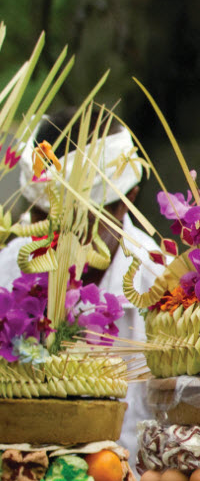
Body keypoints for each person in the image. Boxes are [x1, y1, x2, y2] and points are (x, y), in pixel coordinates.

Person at [0, 106, 158, 458]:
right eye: (42, 218)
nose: (55, 237)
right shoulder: (6, 271)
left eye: (78, 222)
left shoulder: (161, 285)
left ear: (127, 201)